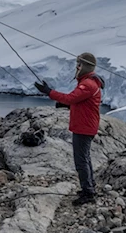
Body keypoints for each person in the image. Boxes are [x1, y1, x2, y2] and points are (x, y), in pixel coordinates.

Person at [34, 52, 105, 206]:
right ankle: (89, 186)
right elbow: (77, 101)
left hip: (84, 127)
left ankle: (88, 192)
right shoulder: (89, 82)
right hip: (86, 126)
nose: (77, 68)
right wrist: (68, 104)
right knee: (85, 158)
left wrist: (48, 92)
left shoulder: (87, 84)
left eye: (78, 65)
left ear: (84, 66)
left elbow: (71, 98)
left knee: (81, 160)